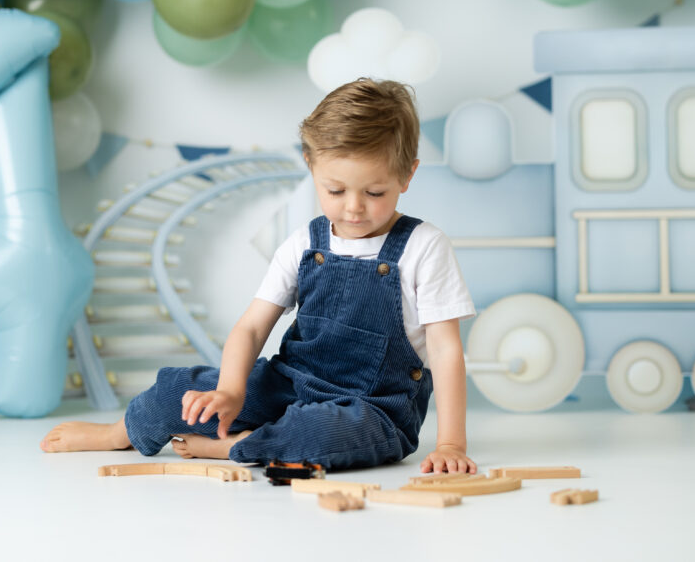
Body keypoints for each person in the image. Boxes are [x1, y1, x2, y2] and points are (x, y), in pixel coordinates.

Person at [41, 78, 477, 474]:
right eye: (336, 190)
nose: (353, 208)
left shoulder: (424, 247)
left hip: (373, 409)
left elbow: (444, 350)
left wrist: (452, 443)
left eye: (374, 192)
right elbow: (251, 328)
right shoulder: (304, 244)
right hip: (289, 384)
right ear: (311, 166)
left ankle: (241, 446)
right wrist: (230, 391)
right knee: (188, 392)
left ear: (407, 175)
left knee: (319, 435)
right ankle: (119, 433)